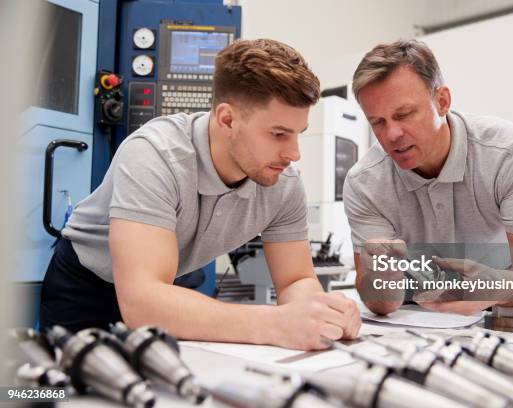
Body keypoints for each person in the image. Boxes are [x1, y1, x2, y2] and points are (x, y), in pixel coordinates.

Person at [40, 39, 361, 350]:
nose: (293, 153)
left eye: (297, 134)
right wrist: (276, 323)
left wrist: (322, 313)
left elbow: (294, 281)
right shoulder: (155, 154)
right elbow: (143, 304)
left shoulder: (285, 183)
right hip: (89, 285)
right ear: (227, 119)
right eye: (278, 134)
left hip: (167, 286)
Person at [344, 39, 513, 316]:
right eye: (377, 122)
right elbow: (378, 301)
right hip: (412, 321)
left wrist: (498, 288)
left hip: (504, 311)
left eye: (403, 115)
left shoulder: (511, 153)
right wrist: (381, 280)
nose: (391, 134)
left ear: (442, 101)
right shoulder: (365, 183)